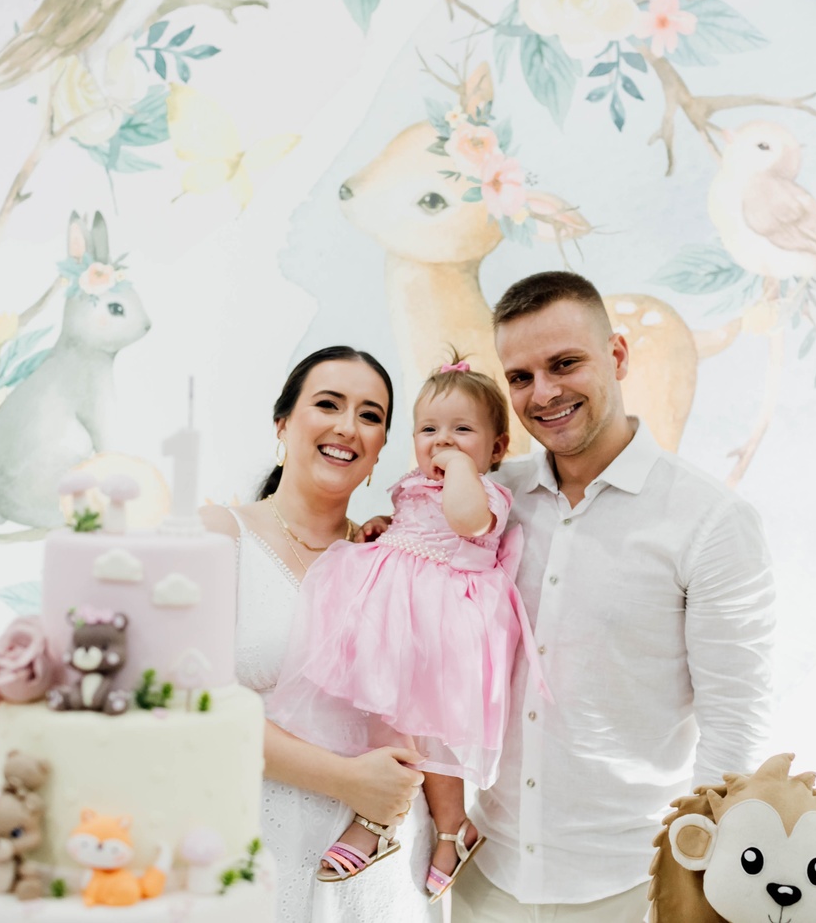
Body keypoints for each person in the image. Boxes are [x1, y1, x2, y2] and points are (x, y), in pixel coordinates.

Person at [449, 272, 777, 922]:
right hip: (484, 878)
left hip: (633, 888)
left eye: (564, 363)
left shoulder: (711, 521)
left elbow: (736, 725)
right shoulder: (489, 501)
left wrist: (695, 884)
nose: (543, 392)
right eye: (520, 376)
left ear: (618, 355)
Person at [268, 352, 547, 904]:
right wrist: (384, 524)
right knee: (384, 716)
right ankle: (420, 823)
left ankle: (423, 823)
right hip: (398, 620)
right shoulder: (414, 485)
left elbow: (465, 520)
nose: (442, 442)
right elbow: (415, 527)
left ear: (496, 449)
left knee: (432, 736)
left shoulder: (483, 492)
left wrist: (461, 470)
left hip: (444, 629)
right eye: (429, 430)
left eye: (462, 431)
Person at [201, 346, 440, 923]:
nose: (347, 427)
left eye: (369, 415)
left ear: (380, 447)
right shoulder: (217, 535)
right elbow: (192, 705)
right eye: (328, 404)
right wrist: (348, 781)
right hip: (251, 840)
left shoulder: (397, 556)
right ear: (282, 423)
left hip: (380, 867)